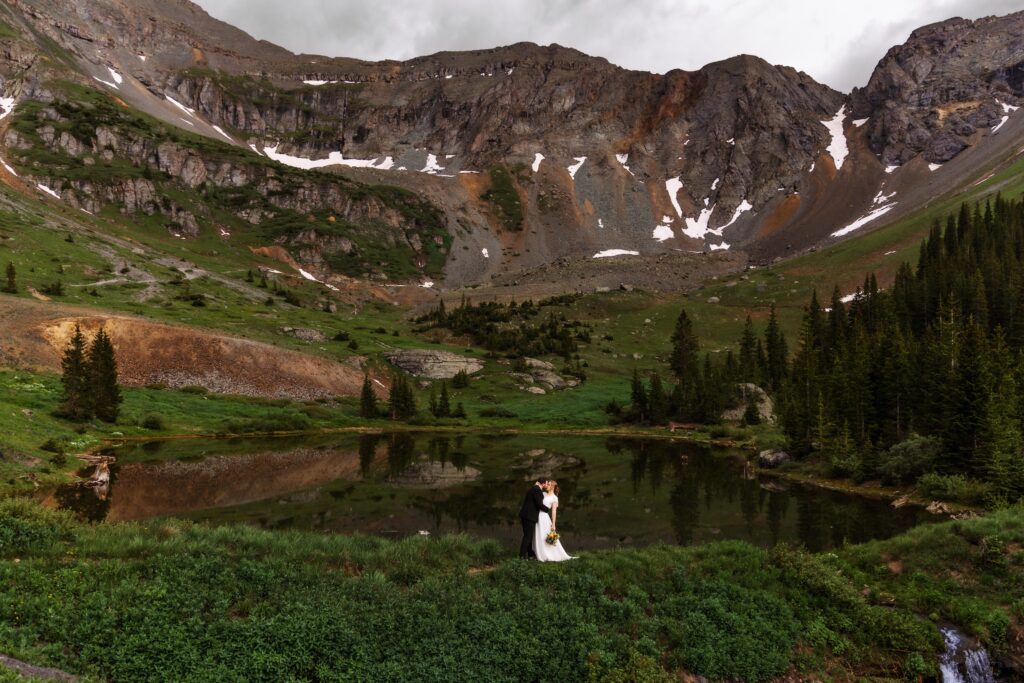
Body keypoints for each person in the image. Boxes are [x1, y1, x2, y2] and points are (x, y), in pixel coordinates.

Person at [534, 480, 573, 562]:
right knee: (538, 534)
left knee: (545, 535)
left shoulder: (554, 498)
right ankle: (538, 553)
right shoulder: (543, 494)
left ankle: (548, 554)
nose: (546, 485)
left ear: (552, 487)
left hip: (544, 518)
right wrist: (537, 485)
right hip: (537, 516)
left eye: (548, 484)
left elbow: (553, 511)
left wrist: (553, 524)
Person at [518, 477, 551, 559]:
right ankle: (521, 556)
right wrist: (547, 509)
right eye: (546, 483)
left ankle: (530, 554)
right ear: (542, 483)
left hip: (526, 515)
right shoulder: (537, 490)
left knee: (528, 536)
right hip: (529, 516)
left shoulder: (533, 489)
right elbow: (539, 504)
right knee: (527, 536)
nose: (547, 485)